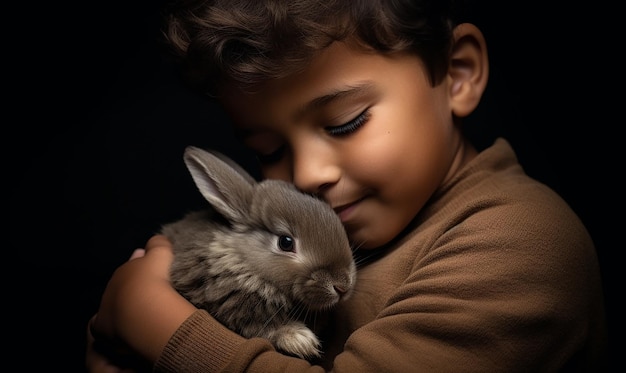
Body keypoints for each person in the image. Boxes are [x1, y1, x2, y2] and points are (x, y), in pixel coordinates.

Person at [86, 0, 608, 371]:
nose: (307, 175)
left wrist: (160, 328)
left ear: (458, 73)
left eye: (345, 122)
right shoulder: (342, 233)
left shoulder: (519, 245)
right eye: (269, 150)